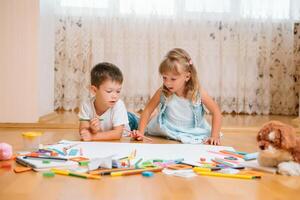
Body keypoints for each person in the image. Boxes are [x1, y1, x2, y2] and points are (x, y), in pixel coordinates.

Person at [131, 48, 222, 145]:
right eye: (164, 77)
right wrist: (140, 132)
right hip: (168, 128)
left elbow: (216, 112)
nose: (167, 83)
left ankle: (152, 115)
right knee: (138, 122)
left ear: (187, 76)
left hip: (192, 130)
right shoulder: (163, 91)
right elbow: (147, 110)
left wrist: (214, 136)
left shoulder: (198, 92)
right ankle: (134, 116)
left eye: (173, 79)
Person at [78, 62, 130, 141]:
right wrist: (92, 129)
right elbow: (83, 129)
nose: (115, 96)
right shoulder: (86, 105)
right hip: (117, 117)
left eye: (118, 91)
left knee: (141, 124)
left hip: (130, 122)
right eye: (109, 91)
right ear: (94, 90)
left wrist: (93, 136)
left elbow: (117, 134)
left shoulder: (118, 105)